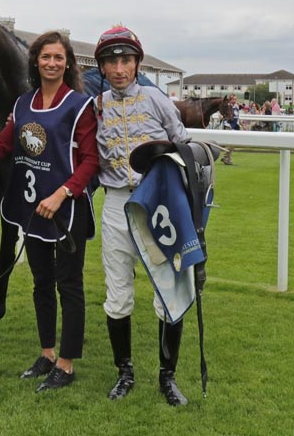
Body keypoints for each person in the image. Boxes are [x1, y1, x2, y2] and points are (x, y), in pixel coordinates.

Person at [0, 31, 98, 393]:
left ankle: (66, 365)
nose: (51, 63)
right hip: (32, 209)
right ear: (35, 62)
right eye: (45, 57)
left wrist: (61, 194)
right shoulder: (23, 104)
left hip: (66, 210)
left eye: (58, 57)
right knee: (41, 283)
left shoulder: (80, 106)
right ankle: (46, 354)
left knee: (69, 286)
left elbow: (91, 161)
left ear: (67, 63)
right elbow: (1, 147)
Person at [93, 25, 192, 406]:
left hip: (157, 202)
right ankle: (125, 372)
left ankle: (168, 377)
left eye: (126, 61)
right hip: (116, 203)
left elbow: (182, 143)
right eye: (111, 62)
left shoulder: (155, 98)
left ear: (137, 64)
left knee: (167, 292)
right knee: (118, 294)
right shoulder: (96, 106)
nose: (119, 69)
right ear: (102, 67)